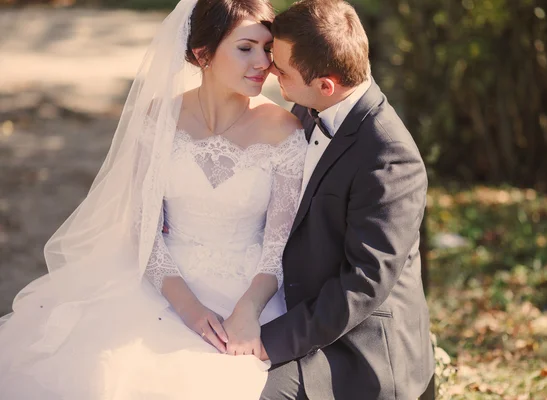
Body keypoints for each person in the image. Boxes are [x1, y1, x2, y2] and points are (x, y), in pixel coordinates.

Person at [0, 0, 306, 398]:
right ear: (203, 54)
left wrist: (248, 310)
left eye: (267, 49)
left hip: (247, 292)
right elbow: (143, 227)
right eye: (246, 47)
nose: (262, 62)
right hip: (161, 282)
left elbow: (277, 245)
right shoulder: (159, 118)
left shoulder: (285, 130)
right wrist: (188, 309)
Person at [258, 1, 435, 399]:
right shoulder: (310, 104)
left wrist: (267, 342)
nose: (271, 70)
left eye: (281, 69)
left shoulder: (390, 157)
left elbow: (363, 284)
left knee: (243, 389)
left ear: (326, 84)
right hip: (304, 310)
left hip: (358, 345)